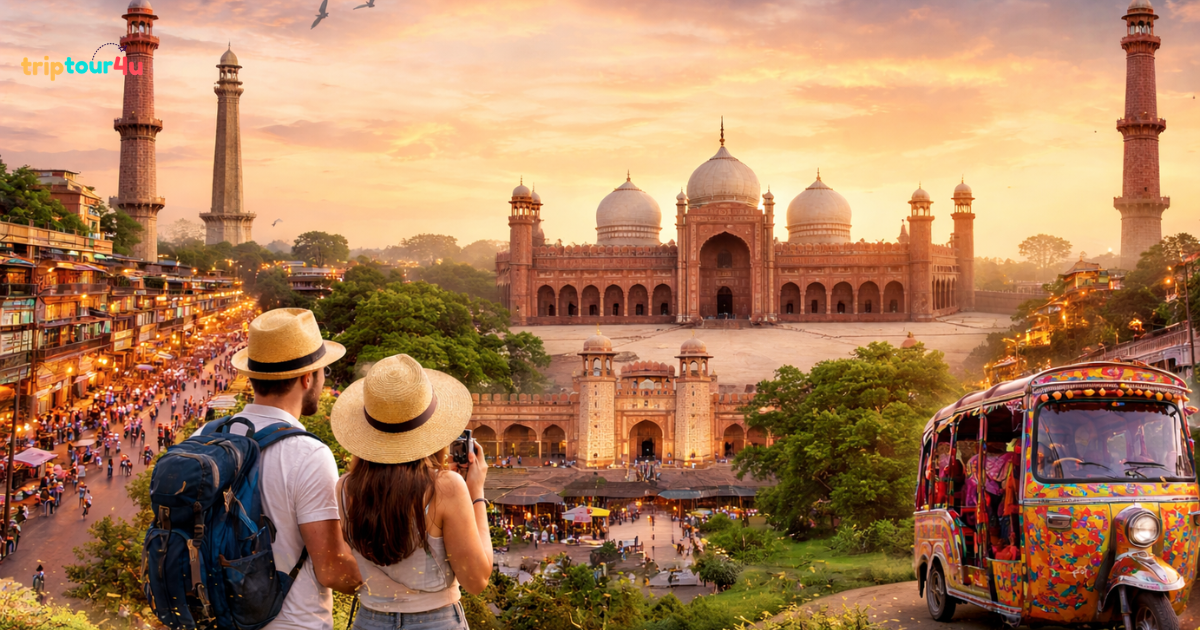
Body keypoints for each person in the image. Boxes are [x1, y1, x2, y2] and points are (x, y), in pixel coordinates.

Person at [193, 308, 362, 630]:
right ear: (307, 377)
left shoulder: (204, 436)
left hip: (213, 618)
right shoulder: (309, 453)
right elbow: (332, 570)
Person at [330, 353, 493, 630]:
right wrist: (475, 492)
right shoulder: (446, 487)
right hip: (436, 620)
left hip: (370, 620)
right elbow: (476, 580)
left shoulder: (346, 486)